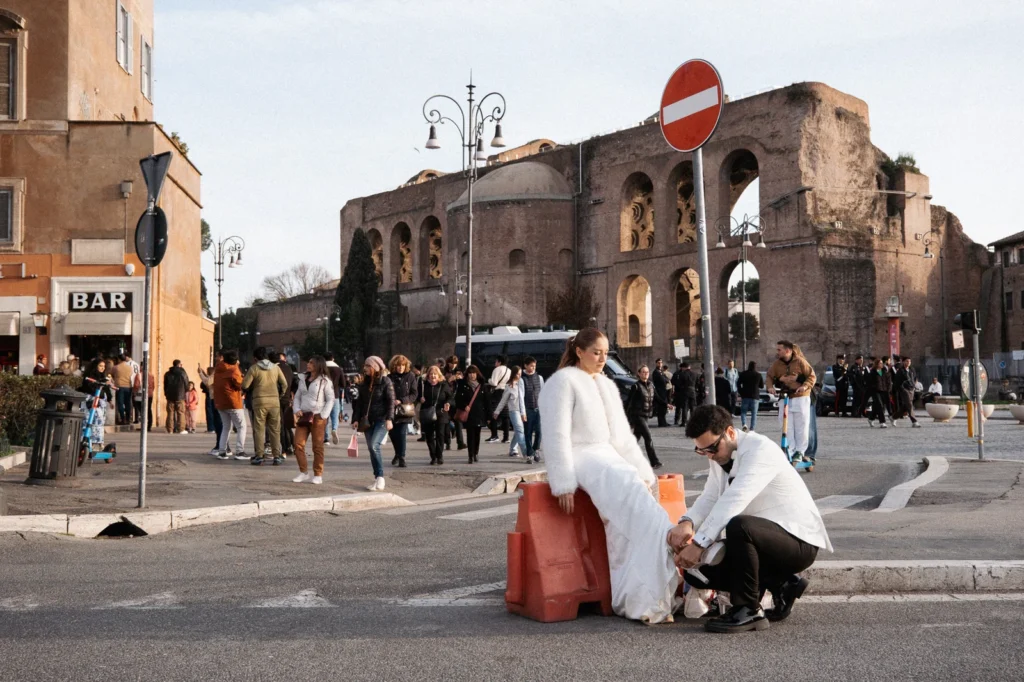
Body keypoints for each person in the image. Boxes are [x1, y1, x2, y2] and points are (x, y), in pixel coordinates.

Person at [540, 328, 678, 623]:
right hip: (581, 455)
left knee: (630, 521)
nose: (602, 358)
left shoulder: (606, 384)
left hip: (608, 455)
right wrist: (563, 482)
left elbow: (623, 437)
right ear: (579, 352)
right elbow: (554, 434)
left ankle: (646, 599)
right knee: (634, 505)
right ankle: (645, 597)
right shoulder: (562, 382)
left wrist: (643, 471)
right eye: (596, 352)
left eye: (605, 353)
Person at [669, 405, 832, 633]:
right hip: (763, 541)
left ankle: (748, 610)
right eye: (701, 451)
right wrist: (687, 523)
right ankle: (783, 584)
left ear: (730, 432)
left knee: (739, 525)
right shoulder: (719, 456)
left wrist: (698, 544)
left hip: (798, 541)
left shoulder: (760, 450)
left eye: (712, 448)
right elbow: (711, 496)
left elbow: (734, 500)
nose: (710, 456)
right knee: (700, 573)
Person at [766, 341, 816, 463]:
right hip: (785, 397)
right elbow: (769, 376)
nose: (777, 352)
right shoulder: (777, 364)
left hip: (800, 397)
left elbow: (812, 376)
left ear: (787, 350)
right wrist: (770, 387)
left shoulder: (800, 362)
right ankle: (790, 449)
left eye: (779, 350)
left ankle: (800, 451)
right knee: (786, 426)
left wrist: (805, 386)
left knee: (801, 425)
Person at [351, 356, 394, 491]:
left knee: (374, 445)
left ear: (375, 367)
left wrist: (389, 419)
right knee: (371, 448)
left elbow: (391, 401)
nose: (365, 368)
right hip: (368, 421)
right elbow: (359, 404)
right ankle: (377, 477)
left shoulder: (385, 381)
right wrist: (355, 419)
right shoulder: (364, 383)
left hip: (382, 419)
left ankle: (380, 477)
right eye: (365, 365)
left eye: (368, 366)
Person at [291, 355, 335, 484]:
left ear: (318, 365)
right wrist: (296, 409)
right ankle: (303, 472)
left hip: (318, 417)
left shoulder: (325, 381)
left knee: (317, 447)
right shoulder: (303, 379)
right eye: (308, 362)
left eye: (311, 363)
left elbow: (330, 399)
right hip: (304, 416)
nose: (308, 364)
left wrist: (323, 415)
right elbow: (297, 397)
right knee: (298, 444)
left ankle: (318, 474)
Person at [242, 346, 288, 466]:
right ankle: (276, 456)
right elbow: (284, 384)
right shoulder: (276, 368)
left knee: (259, 430)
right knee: (275, 430)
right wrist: (280, 395)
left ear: (255, 358)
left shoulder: (254, 368)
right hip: (274, 402)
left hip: (259, 402)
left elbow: (245, 385)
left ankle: (259, 456)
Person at [624, 365, 662, 469]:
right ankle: (654, 462)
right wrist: (625, 417)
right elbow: (629, 402)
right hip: (637, 415)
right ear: (639, 373)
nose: (646, 374)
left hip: (646, 415)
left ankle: (623, 457)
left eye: (647, 372)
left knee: (635, 439)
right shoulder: (636, 386)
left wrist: (667, 404)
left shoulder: (651, 385)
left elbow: (657, 398)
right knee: (648, 437)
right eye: (643, 372)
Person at [214, 350, 248, 459]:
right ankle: (239, 451)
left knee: (226, 427)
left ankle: (222, 451)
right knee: (241, 426)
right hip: (233, 402)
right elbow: (240, 384)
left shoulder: (218, 369)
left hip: (220, 402)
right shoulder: (234, 370)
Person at [454, 365, 491, 464]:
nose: (472, 375)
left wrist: (489, 416)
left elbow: (487, 401)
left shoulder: (482, 385)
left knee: (477, 435)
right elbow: (457, 399)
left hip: (479, 413)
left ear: (477, 374)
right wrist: (464, 406)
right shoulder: (463, 385)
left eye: (474, 373)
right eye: (470, 373)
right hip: (468, 414)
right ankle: (470, 455)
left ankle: (476, 453)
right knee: (470, 435)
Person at [419, 365, 454, 465]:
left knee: (440, 435)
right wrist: (420, 399)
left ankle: (439, 455)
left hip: (441, 412)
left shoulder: (444, 385)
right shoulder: (424, 385)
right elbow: (417, 395)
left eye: (435, 374)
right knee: (429, 436)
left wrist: (448, 403)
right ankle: (433, 456)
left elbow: (451, 397)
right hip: (427, 412)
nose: (433, 376)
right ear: (428, 375)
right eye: (431, 374)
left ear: (439, 375)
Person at [388, 354, 417, 468]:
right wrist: (392, 400)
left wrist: (402, 400)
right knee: (392, 433)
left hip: (405, 410)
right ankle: (397, 453)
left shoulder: (410, 376)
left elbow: (414, 394)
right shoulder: (389, 377)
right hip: (391, 409)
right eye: (398, 365)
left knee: (401, 434)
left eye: (403, 365)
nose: (401, 368)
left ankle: (402, 457)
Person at [493, 365, 527, 460]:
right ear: (513, 374)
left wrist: (524, 412)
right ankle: (526, 452)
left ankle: (513, 449)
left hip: (522, 410)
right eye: (517, 374)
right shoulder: (509, 386)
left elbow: (523, 399)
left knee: (518, 431)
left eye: (520, 374)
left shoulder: (521, 383)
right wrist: (497, 411)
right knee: (520, 430)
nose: (519, 376)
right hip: (513, 411)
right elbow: (503, 400)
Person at [81, 358, 114, 451]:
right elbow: (87, 387)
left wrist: (110, 400)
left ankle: (98, 442)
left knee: (99, 422)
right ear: (95, 366)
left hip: (100, 403)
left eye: (104, 366)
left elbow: (107, 389)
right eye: (100, 366)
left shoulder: (104, 377)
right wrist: (98, 387)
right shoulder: (88, 377)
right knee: (87, 421)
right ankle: (85, 441)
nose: (102, 368)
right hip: (89, 402)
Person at [521, 357, 545, 463]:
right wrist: (523, 412)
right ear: (525, 366)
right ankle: (529, 454)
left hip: (538, 408)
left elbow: (543, 393)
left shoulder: (539, 378)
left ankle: (536, 449)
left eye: (534, 366)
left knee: (539, 431)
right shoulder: (522, 379)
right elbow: (521, 397)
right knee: (528, 432)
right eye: (531, 366)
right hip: (528, 409)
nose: (533, 368)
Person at [443, 355, 466, 451]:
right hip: (446, 398)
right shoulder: (443, 372)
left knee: (458, 421)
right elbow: (441, 384)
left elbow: (464, 385)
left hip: (457, 399)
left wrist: (460, 379)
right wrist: (449, 380)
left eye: (455, 363)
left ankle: (460, 443)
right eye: (451, 363)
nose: (453, 365)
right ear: (448, 363)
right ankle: (447, 442)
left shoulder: (459, 371)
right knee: (446, 421)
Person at [487, 356, 512, 444]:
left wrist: (489, 380)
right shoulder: (509, 370)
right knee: (505, 415)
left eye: (496, 361)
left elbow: (494, 382)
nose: (495, 363)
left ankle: (494, 435)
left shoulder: (497, 369)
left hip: (498, 393)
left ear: (499, 362)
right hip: (506, 391)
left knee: (494, 413)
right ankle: (506, 437)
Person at [276, 352, 296, 456]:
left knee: (281, 425)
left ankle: (285, 447)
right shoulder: (289, 368)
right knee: (287, 424)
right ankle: (292, 445)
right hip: (287, 399)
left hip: (278, 398)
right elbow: (294, 383)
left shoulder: (275, 368)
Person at [162, 360, 190, 434]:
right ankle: (181, 429)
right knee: (180, 412)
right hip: (180, 395)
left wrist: (166, 393)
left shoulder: (167, 373)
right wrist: (186, 391)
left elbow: (165, 385)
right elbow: (186, 384)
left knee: (170, 412)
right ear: (179, 364)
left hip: (170, 396)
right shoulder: (182, 373)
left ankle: (170, 429)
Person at [894, 356, 921, 428]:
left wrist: (914, 385)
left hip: (911, 388)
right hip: (904, 389)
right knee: (909, 404)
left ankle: (893, 417)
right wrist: (901, 389)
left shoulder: (912, 369)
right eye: (907, 361)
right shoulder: (900, 371)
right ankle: (914, 421)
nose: (908, 362)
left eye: (909, 361)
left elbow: (915, 378)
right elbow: (897, 381)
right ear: (903, 362)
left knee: (906, 406)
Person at [324, 353, 345, 445]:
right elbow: (343, 384)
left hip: (323, 396)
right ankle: (334, 429)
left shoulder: (322, 368)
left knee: (325, 416)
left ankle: (326, 439)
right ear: (332, 358)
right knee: (335, 415)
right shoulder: (338, 369)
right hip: (335, 395)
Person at [737, 361, 763, 432]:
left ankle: (744, 424)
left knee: (743, 412)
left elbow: (738, 383)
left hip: (745, 396)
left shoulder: (743, 374)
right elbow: (761, 386)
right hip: (755, 396)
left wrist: (741, 392)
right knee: (754, 414)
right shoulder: (758, 375)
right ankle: (752, 428)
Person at [866, 358, 892, 428]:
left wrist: (888, 389)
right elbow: (869, 382)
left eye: (882, 363)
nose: (881, 364)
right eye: (880, 363)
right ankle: (882, 422)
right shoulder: (872, 372)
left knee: (876, 406)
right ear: (876, 364)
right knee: (880, 405)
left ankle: (871, 418)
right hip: (875, 391)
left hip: (884, 390)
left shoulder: (884, 371)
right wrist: (874, 387)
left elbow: (888, 381)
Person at [672, 362, 697, 427]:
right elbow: (697, 383)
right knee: (692, 407)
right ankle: (693, 421)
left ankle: (684, 422)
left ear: (683, 367)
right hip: (693, 391)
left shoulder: (682, 374)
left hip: (684, 391)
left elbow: (678, 383)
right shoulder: (695, 373)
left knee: (685, 407)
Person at [111, 354, 134, 425]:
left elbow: (111, 375)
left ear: (119, 359)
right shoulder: (130, 368)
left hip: (119, 386)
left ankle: (122, 419)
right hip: (128, 387)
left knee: (120, 403)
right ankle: (128, 419)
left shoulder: (116, 367)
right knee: (128, 403)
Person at [198, 361, 218, 435]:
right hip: (215, 396)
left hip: (211, 395)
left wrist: (200, 373)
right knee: (215, 413)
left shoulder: (213, 376)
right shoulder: (216, 376)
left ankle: (211, 428)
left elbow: (207, 382)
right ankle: (215, 428)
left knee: (210, 412)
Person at [651, 358, 672, 428]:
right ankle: (661, 422)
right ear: (656, 363)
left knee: (664, 408)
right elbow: (663, 380)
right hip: (659, 391)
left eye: (661, 362)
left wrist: (665, 380)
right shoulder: (656, 372)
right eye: (658, 363)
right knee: (661, 408)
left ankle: (664, 421)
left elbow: (667, 379)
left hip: (663, 391)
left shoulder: (661, 371)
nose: (660, 364)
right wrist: (665, 380)